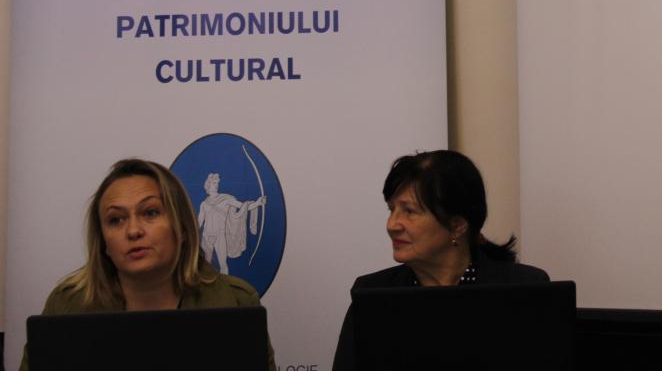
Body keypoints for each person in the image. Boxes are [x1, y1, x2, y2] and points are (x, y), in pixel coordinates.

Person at [19, 158, 274, 371]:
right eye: (116, 220)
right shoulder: (66, 307)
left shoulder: (236, 302)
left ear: (182, 228)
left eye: (150, 213)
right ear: (104, 242)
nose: (133, 231)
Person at [332, 149, 549, 370]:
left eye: (409, 211)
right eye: (391, 210)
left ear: (457, 225)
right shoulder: (371, 294)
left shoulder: (525, 288)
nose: (392, 225)